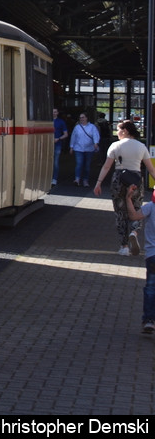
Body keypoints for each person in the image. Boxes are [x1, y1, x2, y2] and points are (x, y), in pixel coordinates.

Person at [93, 120, 155, 256]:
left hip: (119, 180)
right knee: (137, 209)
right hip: (135, 181)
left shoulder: (115, 145)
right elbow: (151, 169)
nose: (117, 132)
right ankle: (134, 232)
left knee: (120, 213)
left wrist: (98, 183)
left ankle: (124, 246)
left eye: (119, 129)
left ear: (125, 131)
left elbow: (106, 166)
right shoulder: (141, 147)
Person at [123, 183, 155, 334]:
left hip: (152, 255)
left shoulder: (150, 207)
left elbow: (133, 216)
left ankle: (149, 320)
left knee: (151, 287)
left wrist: (128, 198)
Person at [69, 112, 101, 186]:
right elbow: (73, 137)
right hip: (78, 148)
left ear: (86, 118)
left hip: (89, 149)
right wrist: (71, 146)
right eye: (80, 118)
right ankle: (77, 179)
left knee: (87, 165)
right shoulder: (77, 127)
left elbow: (95, 135)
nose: (81, 119)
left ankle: (85, 180)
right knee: (79, 164)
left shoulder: (92, 127)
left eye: (83, 117)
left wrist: (96, 143)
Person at [52, 108, 70, 185]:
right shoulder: (47, 121)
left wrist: (58, 138)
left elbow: (66, 134)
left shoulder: (61, 122)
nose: (54, 113)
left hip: (57, 144)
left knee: (55, 162)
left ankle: (54, 178)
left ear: (57, 113)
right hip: (49, 144)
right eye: (52, 112)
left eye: (55, 112)